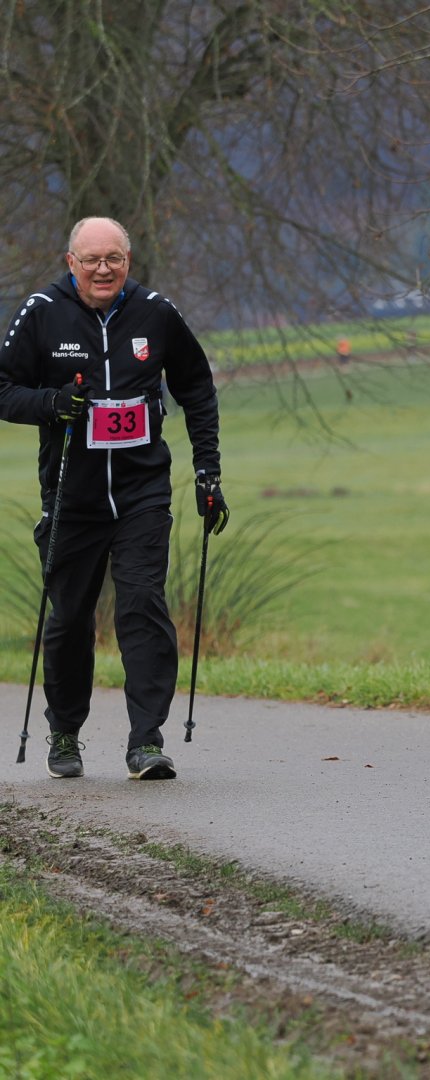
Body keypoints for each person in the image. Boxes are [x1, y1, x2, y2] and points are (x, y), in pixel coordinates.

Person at [0, 216, 229, 781]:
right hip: (71, 498)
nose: (103, 269)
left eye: (114, 259)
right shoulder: (42, 312)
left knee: (142, 605)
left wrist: (207, 471)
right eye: (92, 260)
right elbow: (4, 389)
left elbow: (197, 387)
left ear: (128, 261)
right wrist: (52, 403)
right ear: (71, 262)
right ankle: (64, 731)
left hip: (141, 493)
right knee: (70, 618)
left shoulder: (156, 312)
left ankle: (146, 741)